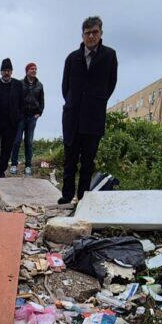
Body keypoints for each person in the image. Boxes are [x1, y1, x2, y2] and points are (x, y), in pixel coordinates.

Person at [59, 16, 117, 204]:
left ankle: (83, 198)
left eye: (95, 32)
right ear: (82, 35)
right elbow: (65, 87)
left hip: (94, 117)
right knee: (70, 160)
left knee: (88, 162)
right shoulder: (72, 58)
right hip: (72, 117)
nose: (91, 36)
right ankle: (67, 196)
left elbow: (110, 84)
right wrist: (73, 103)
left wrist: (96, 102)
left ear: (101, 33)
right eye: (87, 33)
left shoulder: (109, 56)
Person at [9, 62, 44, 175]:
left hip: (32, 117)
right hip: (21, 117)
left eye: (35, 69)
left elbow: (42, 101)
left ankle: (28, 166)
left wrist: (39, 113)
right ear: (27, 71)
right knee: (17, 141)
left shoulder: (39, 85)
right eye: (32, 69)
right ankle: (14, 164)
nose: (34, 71)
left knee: (29, 142)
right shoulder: (19, 83)